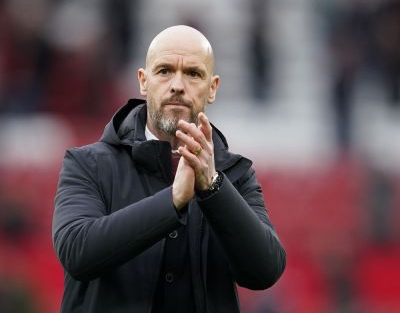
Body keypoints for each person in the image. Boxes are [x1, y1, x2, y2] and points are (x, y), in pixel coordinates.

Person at [52, 25, 286, 313]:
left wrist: (213, 188)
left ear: (212, 88)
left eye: (193, 73)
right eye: (164, 71)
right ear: (143, 81)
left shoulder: (234, 174)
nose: (177, 85)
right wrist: (173, 200)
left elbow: (265, 270)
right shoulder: (87, 164)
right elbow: (77, 252)